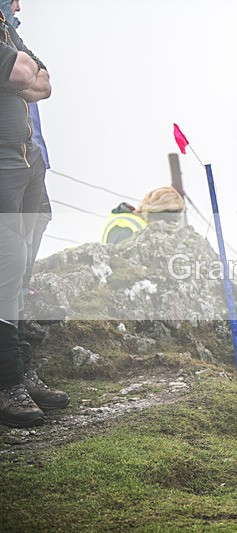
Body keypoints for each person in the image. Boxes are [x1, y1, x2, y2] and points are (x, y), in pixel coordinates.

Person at [0, 6, 68, 427]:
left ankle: (20, 369)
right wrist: (23, 72)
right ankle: (8, 381)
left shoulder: (6, 25)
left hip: (27, 159)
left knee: (21, 269)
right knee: (8, 262)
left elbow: (40, 81)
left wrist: (25, 71)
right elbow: (24, 73)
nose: (19, 4)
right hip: (3, 164)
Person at [100, 186, 186, 244]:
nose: (167, 225)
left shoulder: (142, 225)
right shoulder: (125, 228)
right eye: (168, 218)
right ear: (154, 211)